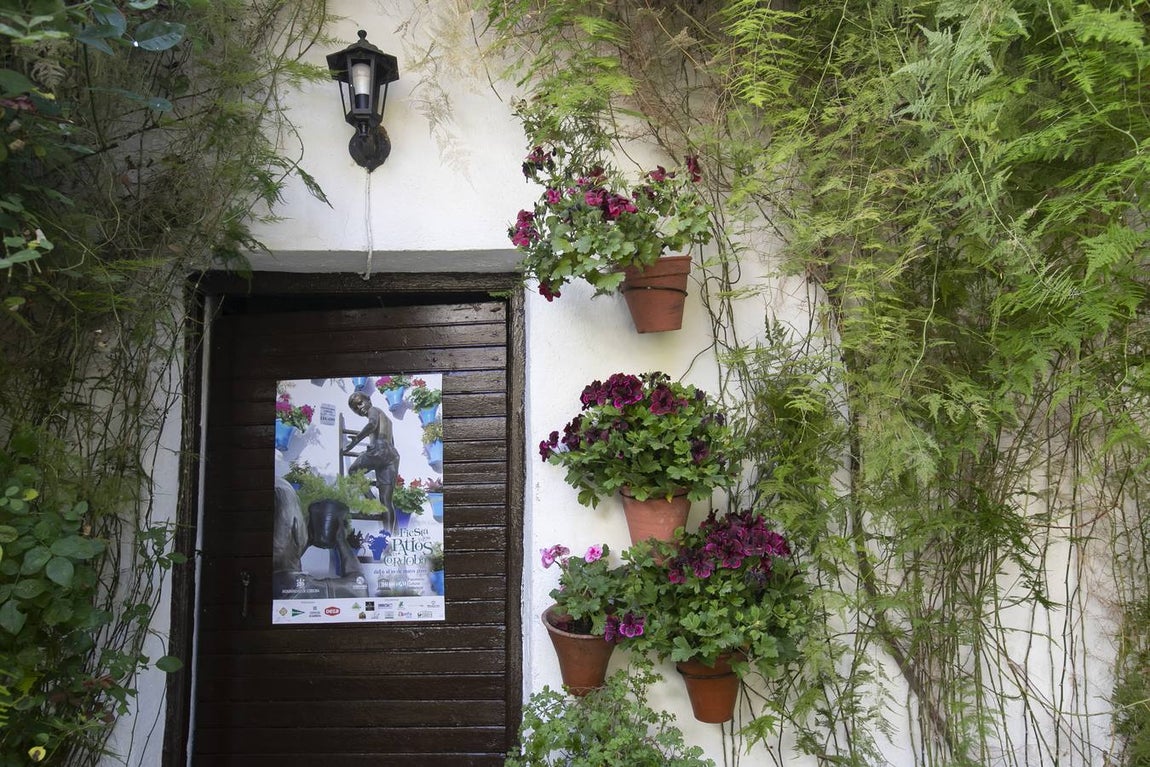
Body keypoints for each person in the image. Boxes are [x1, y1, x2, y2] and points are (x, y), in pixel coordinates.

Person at [345, 391, 401, 518]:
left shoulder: (373, 410)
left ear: (369, 400)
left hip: (379, 451)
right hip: (392, 456)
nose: (359, 408)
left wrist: (356, 439)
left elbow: (372, 424)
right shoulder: (387, 420)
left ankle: (370, 499)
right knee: (386, 502)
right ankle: (391, 531)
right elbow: (391, 442)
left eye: (360, 403)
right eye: (355, 409)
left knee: (353, 471)